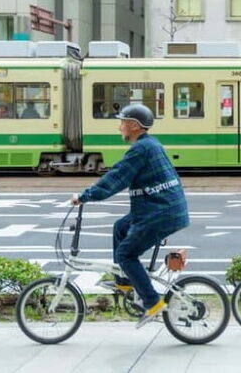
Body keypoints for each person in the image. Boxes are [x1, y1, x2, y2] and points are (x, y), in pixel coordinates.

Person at [69, 104, 189, 328]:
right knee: (120, 227)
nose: (119, 127)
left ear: (134, 126)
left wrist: (84, 196)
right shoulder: (149, 144)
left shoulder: (140, 150)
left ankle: (153, 303)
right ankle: (125, 282)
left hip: (160, 211)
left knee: (126, 255)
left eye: (122, 122)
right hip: (161, 207)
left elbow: (116, 177)